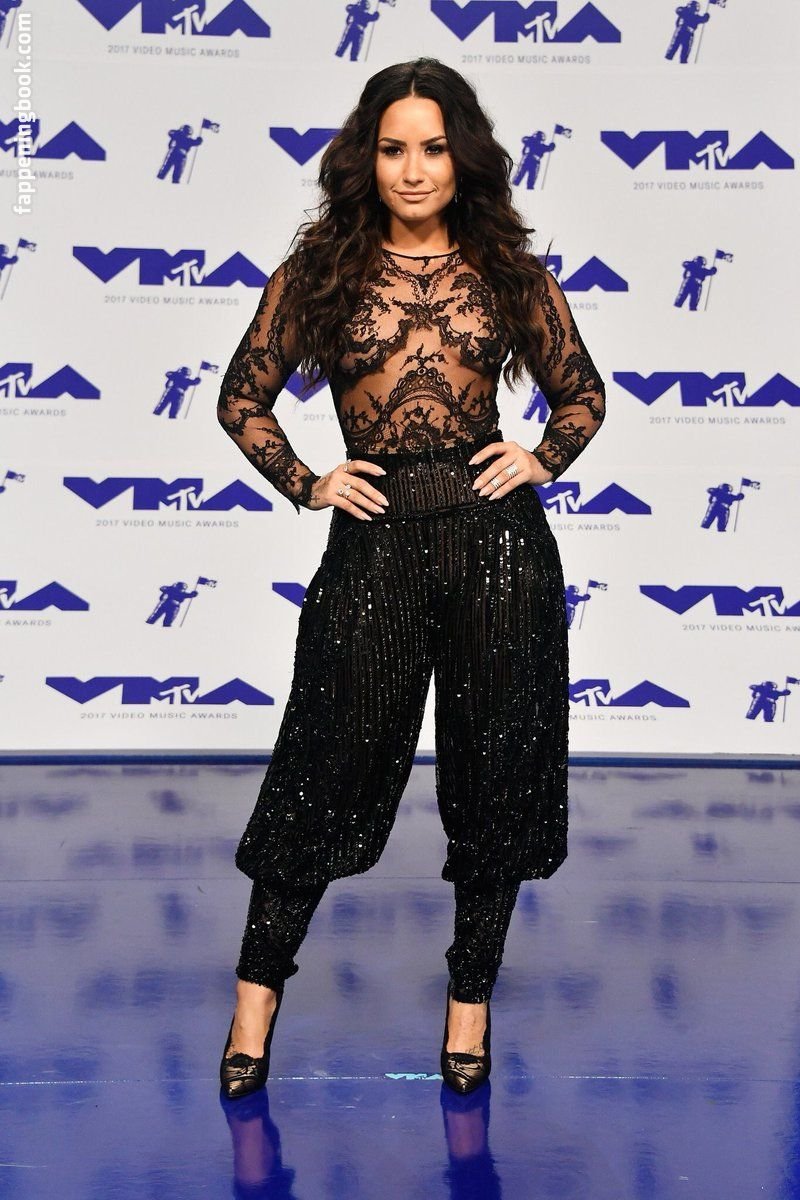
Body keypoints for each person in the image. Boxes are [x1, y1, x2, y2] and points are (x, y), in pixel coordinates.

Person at [216, 57, 606, 1099]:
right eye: (393, 149)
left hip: (497, 552)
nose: (414, 169)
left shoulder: (506, 271)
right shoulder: (320, 271)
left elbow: (581, 395)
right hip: (375, 548)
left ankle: (468, 1007)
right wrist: (307, 481)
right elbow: (241, 399)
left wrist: (540, 458)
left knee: (495, 781)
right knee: (320, 770)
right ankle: (253, 1005)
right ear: (367, 158)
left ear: (462, 156)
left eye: (433, 148)